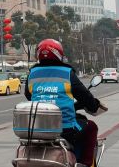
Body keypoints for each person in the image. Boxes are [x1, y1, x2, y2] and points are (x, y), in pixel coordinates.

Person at [25, 39, 107, 167]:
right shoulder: (67, 73)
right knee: (91, 127)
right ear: (59, 54)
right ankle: (84, 164)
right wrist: (92, 104)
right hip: (65, 130)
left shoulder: (32, 74)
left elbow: (29, 96)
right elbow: (84, 96)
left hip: (38, 129)